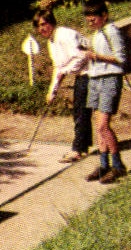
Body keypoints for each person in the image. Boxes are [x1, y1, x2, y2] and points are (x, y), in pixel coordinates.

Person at [81, 0, 130, 184]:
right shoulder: (97, 34)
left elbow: (121, 58)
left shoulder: (112, 31)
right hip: (95, 79)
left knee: (103, 126)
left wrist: (96, 56)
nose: (91, 22)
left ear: (104, 16)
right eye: (88, 20)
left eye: (94, 19)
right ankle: (104, 165)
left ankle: (118, 165)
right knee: (98, 126)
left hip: (109, 79)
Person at [35, 10, 93, 163]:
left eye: (43, 24)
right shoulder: (51, 41)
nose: (41, 29)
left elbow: (81, 55)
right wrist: (52, 90)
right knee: (80, 111)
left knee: (81, 112)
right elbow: (58, 67)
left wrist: (66, 70)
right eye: (38, 26)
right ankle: (83, 146)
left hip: (92, 72)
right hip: (82, 75)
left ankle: (78, 150)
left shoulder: (64, 35)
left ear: (52, 22)